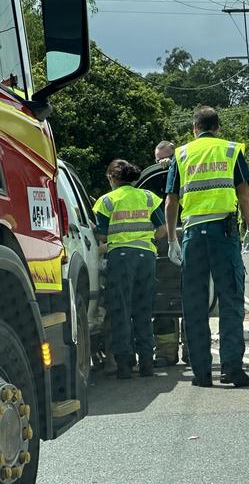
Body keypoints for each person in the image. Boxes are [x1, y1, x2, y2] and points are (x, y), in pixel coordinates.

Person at [165, 106, 249, 388]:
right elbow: (244, 192)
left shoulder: (181, 154)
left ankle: (201, 373)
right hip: (223, 232)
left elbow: (171, 201)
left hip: (193, 234)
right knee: (230, 300)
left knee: (194, 305)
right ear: (218, 128)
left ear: (194, 128)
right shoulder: (230, 150)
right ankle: (232, 370)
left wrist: (171, 240)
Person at [93, 159, 167, 379]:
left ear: (112, 178)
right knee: (143, 311)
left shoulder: (106, 201)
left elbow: (101, 235)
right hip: (146, 257)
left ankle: (125, 365)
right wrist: (143, 239)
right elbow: (162, 229)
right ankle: (146, 364)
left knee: (121, 311)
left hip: (120, 258)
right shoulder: (147, 197)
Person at [152, 140, 188, 368]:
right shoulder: (153, 181)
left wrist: (174, 167)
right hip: (161, 247)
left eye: (167, 157)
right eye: (158, 159)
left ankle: (193, 351)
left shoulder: (186, 173)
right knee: (163, 304)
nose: (163, 162)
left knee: (190, 302)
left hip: (186, 241)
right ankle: (166, 353)